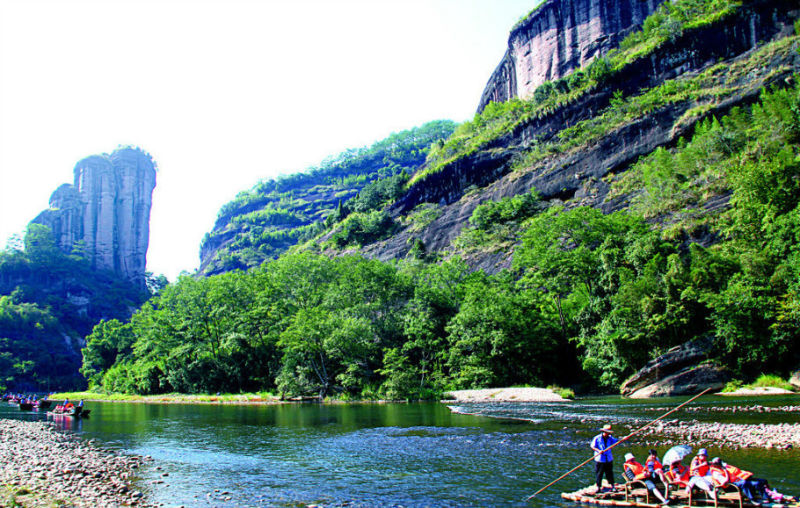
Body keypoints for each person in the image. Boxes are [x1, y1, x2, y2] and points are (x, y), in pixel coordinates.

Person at [590, 424, 619, 493]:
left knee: (609, 473)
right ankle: (598, 487)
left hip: (608, 459)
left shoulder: (610, 438)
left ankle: (613, 486)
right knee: (599, 473)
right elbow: (593, 446)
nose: (608, 434)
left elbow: (616, 441)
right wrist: (599, 451)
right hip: (600, 459)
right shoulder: (597, 438)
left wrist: (624, 439)